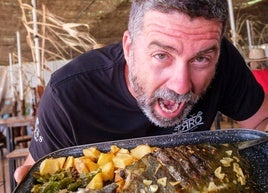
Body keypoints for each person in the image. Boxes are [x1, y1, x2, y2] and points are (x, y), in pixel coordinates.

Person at [15, 0, 268, 183]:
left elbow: (262, 127)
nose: (181, 85)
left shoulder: (223, 59)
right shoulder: (68, 93)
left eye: (200, 59)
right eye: (161, 55)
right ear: (129, 48)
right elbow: (38, 174)